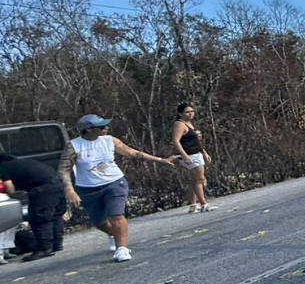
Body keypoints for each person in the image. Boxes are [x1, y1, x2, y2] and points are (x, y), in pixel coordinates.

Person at [59, 113, 179, 263]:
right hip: (88, 188)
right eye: (102, 126)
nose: (106, 128)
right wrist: (69, 190)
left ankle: (121, 248)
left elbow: (133, 153)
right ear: (89, 129)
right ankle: (114, 234)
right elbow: (64, 169)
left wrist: (161, 160)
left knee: (116, 215)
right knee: (98, 221)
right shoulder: (73, 146)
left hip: (114, 182)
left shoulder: (110, 140)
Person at [0, 152, 66, 262]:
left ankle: (45, 248)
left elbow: (9, 188)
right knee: (54, 215)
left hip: (42, 188)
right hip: (57, 183)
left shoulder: (2, 167)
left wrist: (13, 195)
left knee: (39, 219)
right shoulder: (22, 163)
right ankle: (56, 244)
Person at [171, 102, 215, 213]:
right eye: (187, 112)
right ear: (181, 113)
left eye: (192, 111)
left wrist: (204, 152)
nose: (190, 114)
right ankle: (204, 204)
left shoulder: (189, 124)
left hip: (197, 152)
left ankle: (193, 204)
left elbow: (196, 142)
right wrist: (184, 155)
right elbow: (176, 141)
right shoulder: (180, 124)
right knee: (200, 180)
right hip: (191, 155)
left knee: (194, 180)